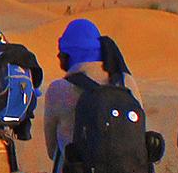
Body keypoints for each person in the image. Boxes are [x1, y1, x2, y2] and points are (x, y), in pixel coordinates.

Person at [42, 18, 140, 168]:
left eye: (61, 51)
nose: (58, 56)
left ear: (69, 53)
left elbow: (52, 150)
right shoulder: (126, 81)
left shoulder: (58, 89)